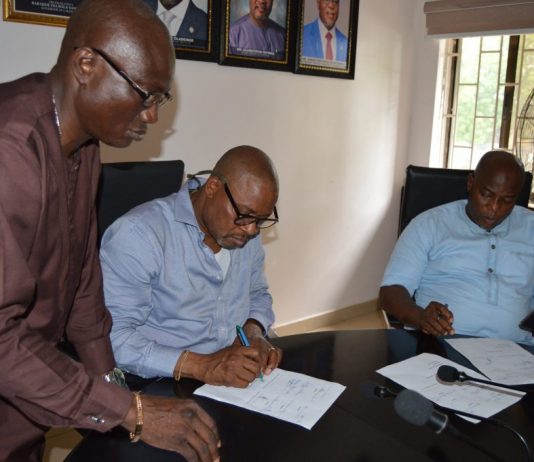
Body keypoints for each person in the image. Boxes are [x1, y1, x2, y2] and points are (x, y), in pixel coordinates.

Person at [0, 1, 220, 461]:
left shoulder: (83, 145)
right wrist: (130, 411)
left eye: (160, 100)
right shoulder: (10, 150)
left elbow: (81, 281)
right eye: (145, 95)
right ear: (86, 65)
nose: (152, 116)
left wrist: (113, 387)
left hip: (29, 392)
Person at [100, 146, 283, 387]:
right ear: (213, 187)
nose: (250, 230)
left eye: (260, 220)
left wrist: (254, 331)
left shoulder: (245, 233)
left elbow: (257, 293)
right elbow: (113, 339)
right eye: (244, 215)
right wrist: (203, 366)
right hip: (159, 380)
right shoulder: (140, 235)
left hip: (230, 374)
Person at [379, 150, 534, 345]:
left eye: (507, 200)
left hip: (519, 350)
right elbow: (391, 291)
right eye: (486, 195)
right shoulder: (429, 225)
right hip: (441, 346)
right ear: (471, 183)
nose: (494, 207)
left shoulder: (530, 228)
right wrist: (420, 316)